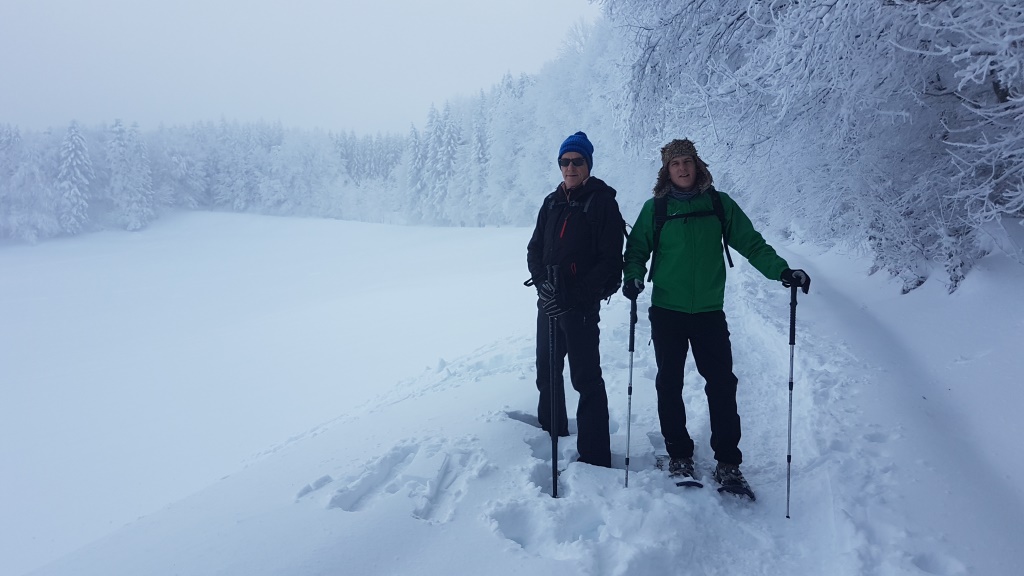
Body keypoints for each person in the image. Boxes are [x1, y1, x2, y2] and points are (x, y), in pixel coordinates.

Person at [621, 138, 810, 493]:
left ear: (698, 165)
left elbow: (752, 243)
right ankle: (679, 454)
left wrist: (782, 271)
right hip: (667, 311)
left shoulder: (719, 204)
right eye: (675, 163)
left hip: (709, 311)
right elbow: (636, 251)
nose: (682, 168)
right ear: (666, 170)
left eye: (687, 161)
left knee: (722, 384)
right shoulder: (656, 208)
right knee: (669, 383)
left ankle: (728, 463)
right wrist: (632, 277)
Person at [526, 131, 625, 468]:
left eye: (577, 161)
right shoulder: (551, 202)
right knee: (546, 370)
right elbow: (534, 249)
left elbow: (610, 262)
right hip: (548, 303)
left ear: (588, 164)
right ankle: (551, 433)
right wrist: (544, 286)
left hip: (580, 307)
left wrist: (573, 295)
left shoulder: (602, 203)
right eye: (564, 161)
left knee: (585, 378)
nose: (570, 167)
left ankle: (595, 457)